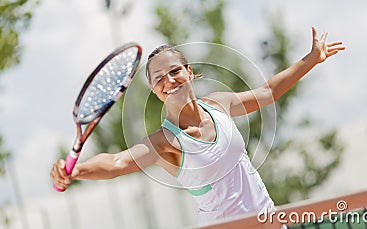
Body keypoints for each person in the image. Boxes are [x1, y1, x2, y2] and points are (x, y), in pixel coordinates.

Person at [50, 27, 345, 225]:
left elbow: (267, 93)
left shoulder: (218, 105)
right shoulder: (166, 142)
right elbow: (116, 162)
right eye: (159, 78)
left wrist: (312, 59)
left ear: (189, 72)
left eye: (175, 70)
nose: (169, 80)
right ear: (154, 90)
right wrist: (77, 171)